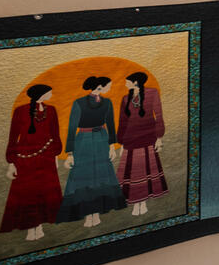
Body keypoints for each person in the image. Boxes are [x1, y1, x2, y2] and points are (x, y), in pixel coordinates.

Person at [55, 77, 126, 228]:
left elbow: (111, 124)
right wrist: (70, 153)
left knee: (100, 175)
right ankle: (88, 215)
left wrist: (112, 146)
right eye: (108, 85)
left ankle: (97, 213)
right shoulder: (79, 102)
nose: (110, 87)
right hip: (83, 141)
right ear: (100, 86)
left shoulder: (107, 102)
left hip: (102, 138)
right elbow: (72, 127)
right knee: (85, 176)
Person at [0, 83, 65, 241]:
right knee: (28, 193)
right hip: (26, 160)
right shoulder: (20, 111)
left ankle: (40, 226)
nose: (50, 95)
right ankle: (31, 228)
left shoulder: (51, 111)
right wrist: (11, 162)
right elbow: (13, 137)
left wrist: (56, 156)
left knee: (44, 192)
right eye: (49, 93)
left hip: (47, 157)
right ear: (41, 94)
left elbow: (55, 134)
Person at [117, 71, 168, 215]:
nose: (125, 83)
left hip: (147, 138)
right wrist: (121, 143)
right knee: (132, 173)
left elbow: (158, 114)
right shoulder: (125, 98)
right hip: (130, 140)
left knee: (145, 170)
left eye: (128, 81)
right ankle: (135, 204)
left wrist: (159, 137)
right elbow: (122, 122)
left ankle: (143, 203)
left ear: (135, 82)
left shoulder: (152, 93)